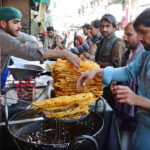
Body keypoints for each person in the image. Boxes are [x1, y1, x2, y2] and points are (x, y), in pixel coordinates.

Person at [76, 8, 150, 150]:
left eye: (144, 32)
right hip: (143, 128)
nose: (139, 38)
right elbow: (129, 71)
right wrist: (97, 72)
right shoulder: (147, 53)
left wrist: (137, 100)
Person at [0, 7, 80, 91]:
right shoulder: (2, 37)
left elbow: (21, 35)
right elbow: (29, 52)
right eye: (15, 22)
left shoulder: (7, 32)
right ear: (3, 24)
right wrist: (64, 53)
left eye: (20, 22)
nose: (20, 26)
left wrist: (32, 38)